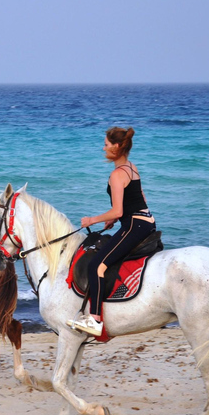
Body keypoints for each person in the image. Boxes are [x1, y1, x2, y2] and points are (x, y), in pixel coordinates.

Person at [67, 127, 156, 336]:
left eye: (106, 145)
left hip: (134, 225)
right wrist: (115, 220)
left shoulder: (117, 174)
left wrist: (92, 219)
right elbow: (137, 199)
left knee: (97, 266)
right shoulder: (132, 168)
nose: (103, 148)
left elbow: (119, 209)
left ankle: (95, 320)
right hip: (145, 221)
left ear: (117, 147)